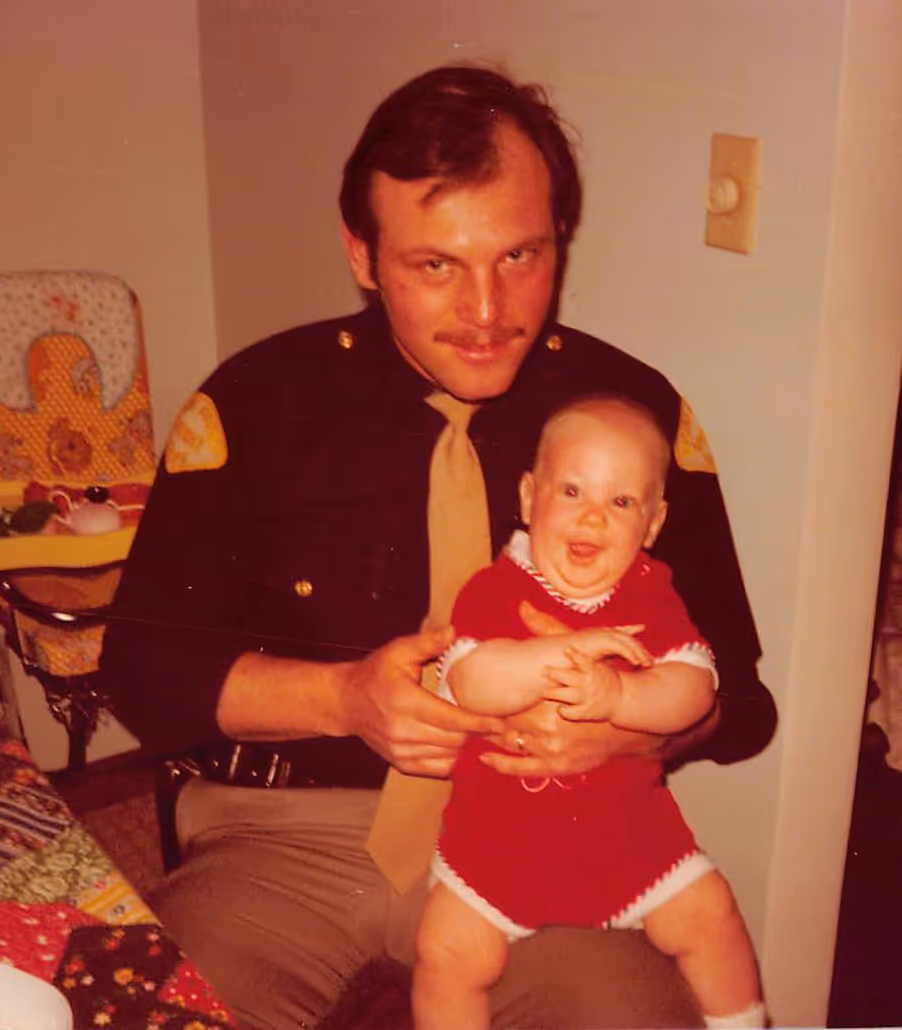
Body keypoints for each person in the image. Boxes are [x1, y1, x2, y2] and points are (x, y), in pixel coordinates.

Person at [100, 64, 776, 1030]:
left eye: (519, 257)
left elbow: (742, 697)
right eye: (434, 265)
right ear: (362, 256)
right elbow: (144, 671)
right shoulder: (254, 404)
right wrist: (339, 698)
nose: (487, 310)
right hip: (286, 839)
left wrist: (638, 728)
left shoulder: (632, 420)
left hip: (562, 833)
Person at [412, 396, 765, 1030]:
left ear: (652, 524)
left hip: (630, 845)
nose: (593, 517)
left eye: (621, 502)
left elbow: (696, 686)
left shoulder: (651, 595)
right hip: (496, 851)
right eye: (571, 490)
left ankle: (742, 1023)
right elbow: (471, 681)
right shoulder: (495, 589)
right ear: (528, 498)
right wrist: (562, 652)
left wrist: (622, 698)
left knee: (712, 913)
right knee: (445, 954)